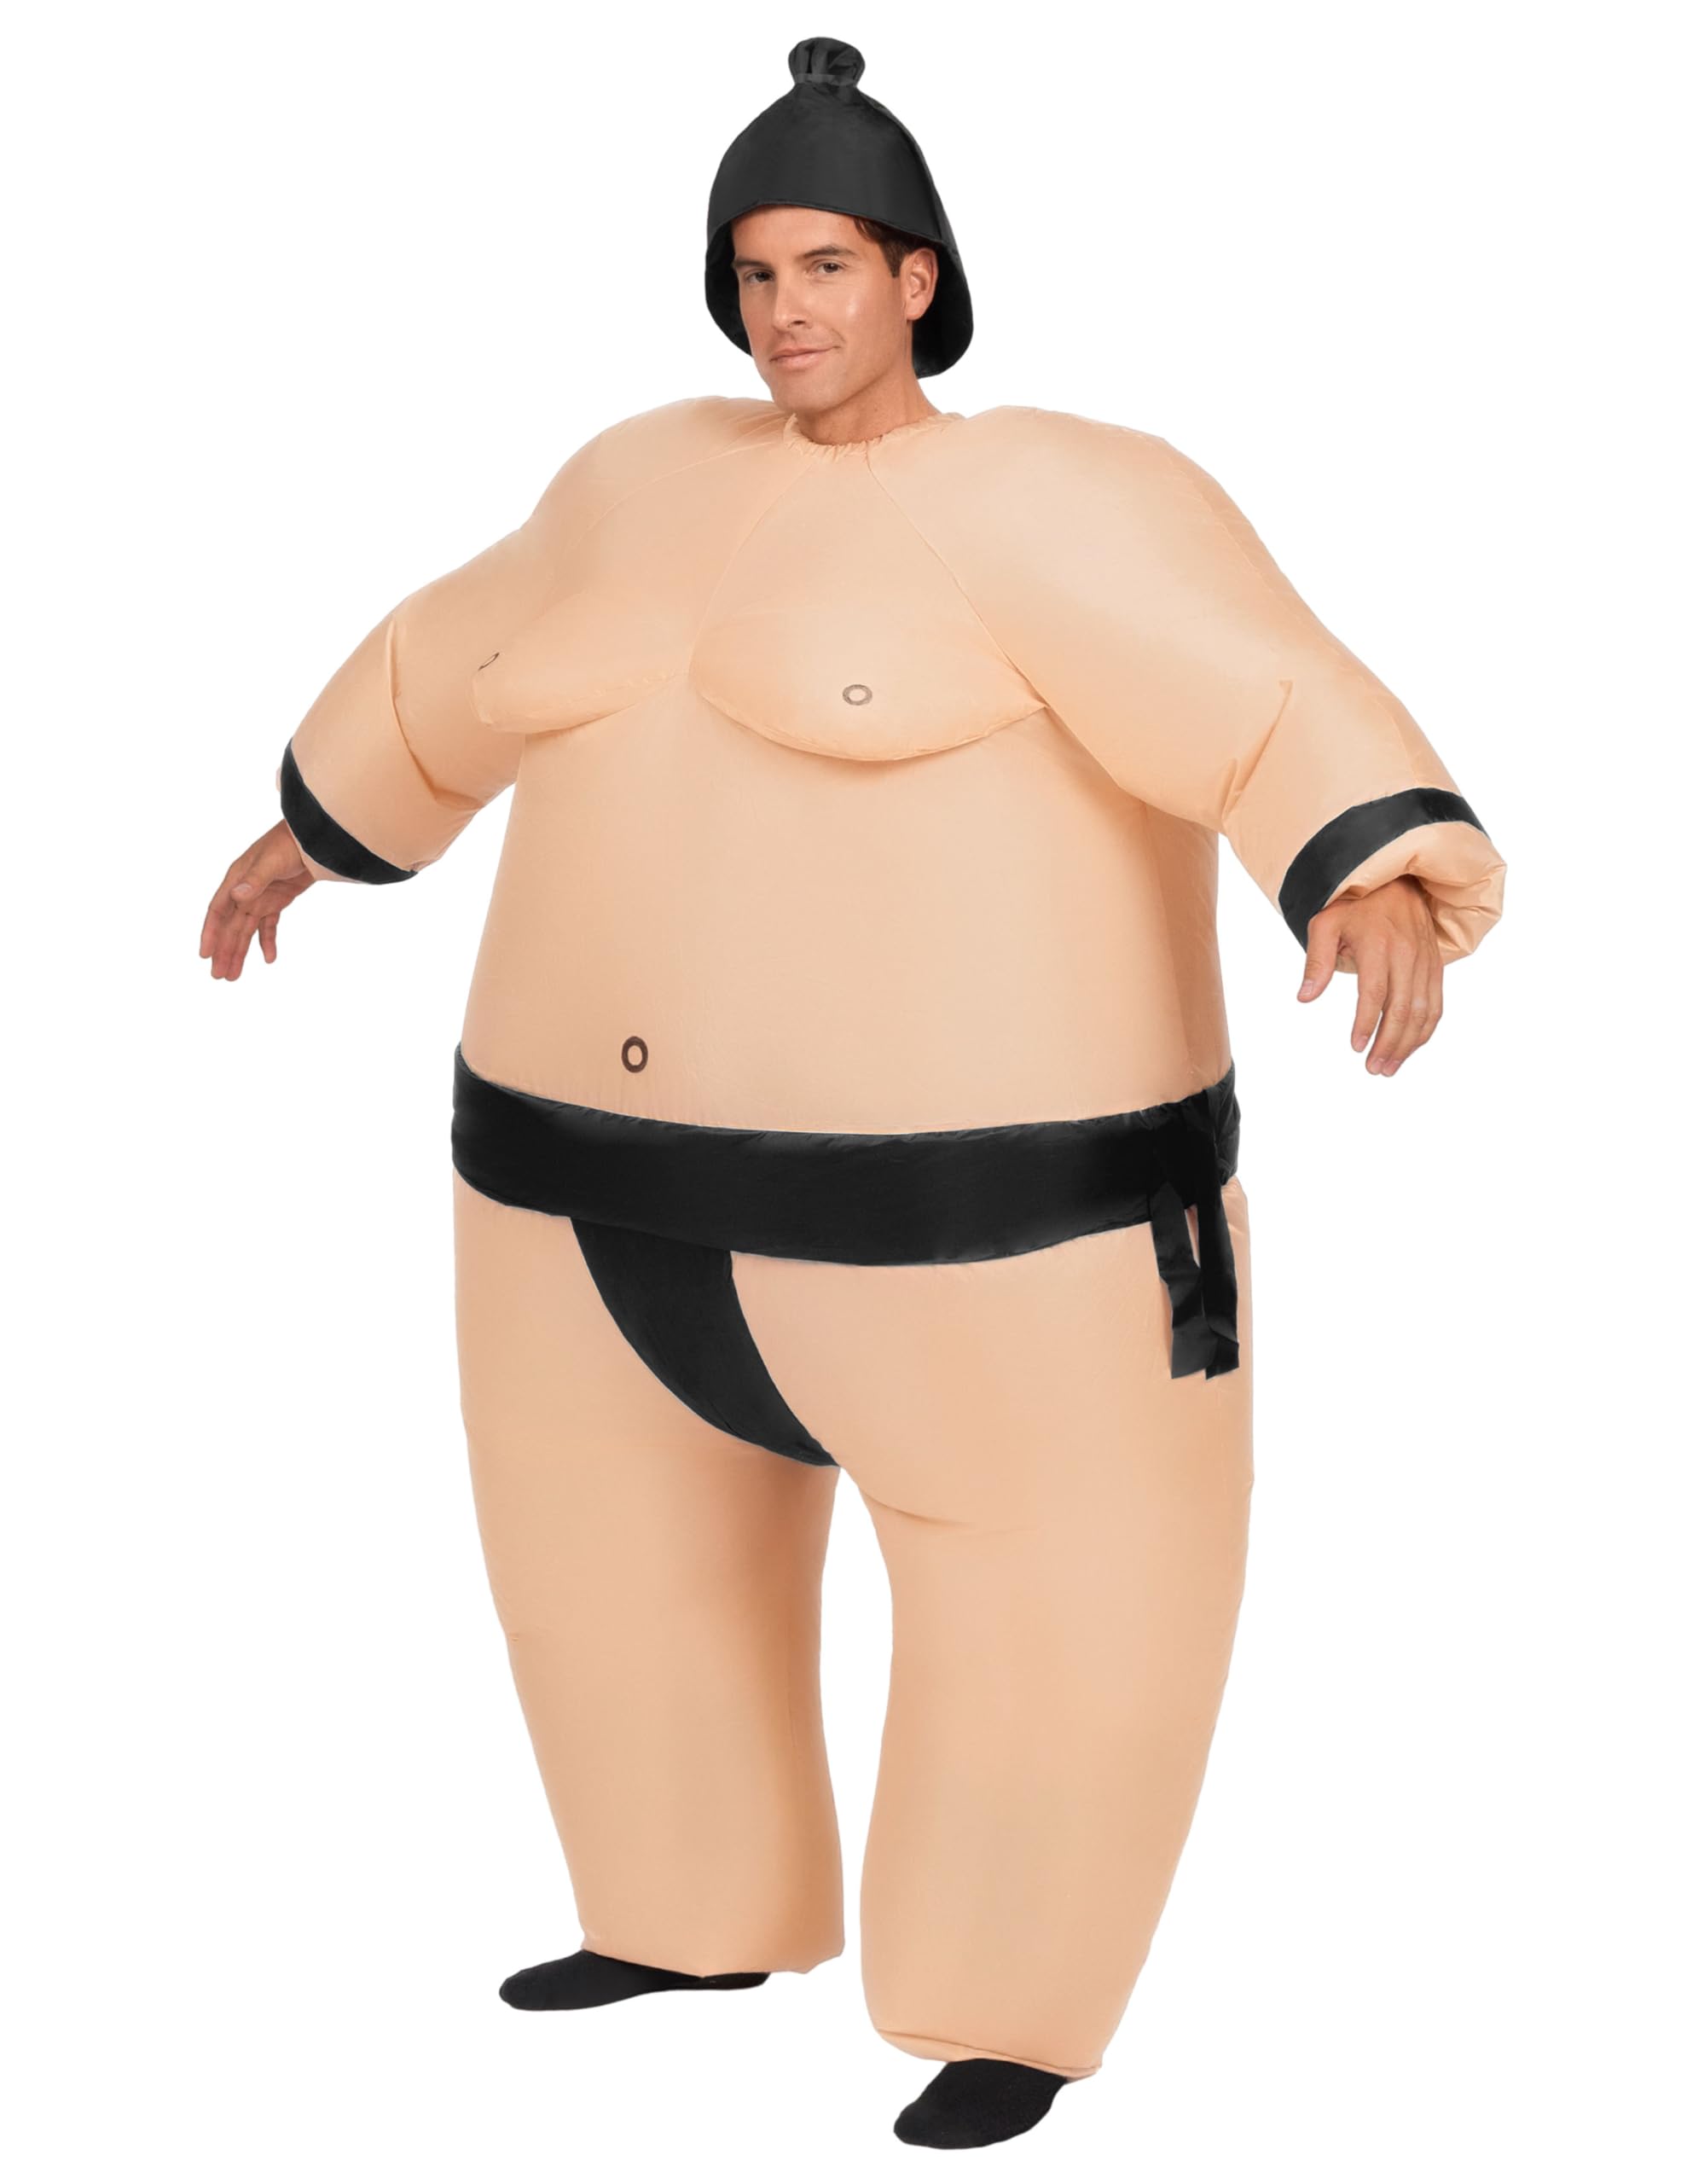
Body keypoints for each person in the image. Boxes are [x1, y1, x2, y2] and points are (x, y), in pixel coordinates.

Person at [200, 38, 1505, 2152]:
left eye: (823, 264)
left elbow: (1259, 683)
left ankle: (1003, 2010)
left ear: (917, 275)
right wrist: (310, 836)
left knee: (1055, 1625)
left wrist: (1372, 873)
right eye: (751, 271)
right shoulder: (634, 482)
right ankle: (681, 1915)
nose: (782, 309)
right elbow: (457, 656)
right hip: (569, 1206)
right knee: (611, 1590)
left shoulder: (1067, 502)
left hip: (988, 1253)